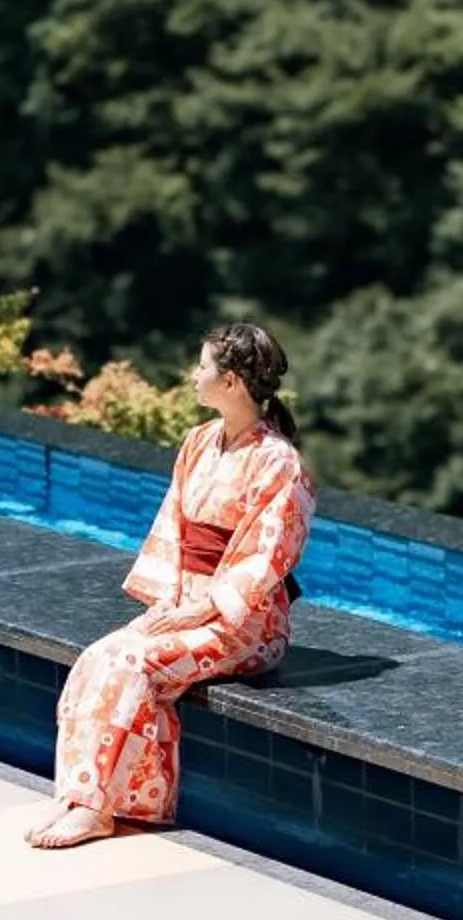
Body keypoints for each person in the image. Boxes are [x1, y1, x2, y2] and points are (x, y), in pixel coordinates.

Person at [28, 322, 314, 849]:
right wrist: (169, 601)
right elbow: (171, 530)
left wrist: (199, 610)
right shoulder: (198, 442)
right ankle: (76, 795)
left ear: (230, 382)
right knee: (99, 656)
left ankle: (98, 808)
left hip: (246, 623)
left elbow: (267, 554)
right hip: (186, 602)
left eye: (202, 366)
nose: (193, 375)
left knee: (136, 662)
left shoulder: (279, 462)